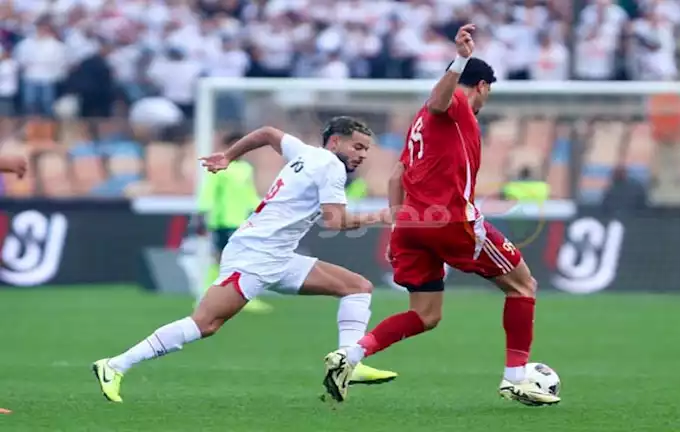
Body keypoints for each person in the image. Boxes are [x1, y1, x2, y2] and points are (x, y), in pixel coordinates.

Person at [321, 25, 560, 407]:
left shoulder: (420, 124)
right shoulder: (455, 105)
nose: (486, 100)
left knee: (426, 314)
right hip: (451, 221)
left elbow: (398, 175)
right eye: (488, 92)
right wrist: (460, 59)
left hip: (414, 226)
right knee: (522, 285)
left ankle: (349, 355)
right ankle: (516, 378)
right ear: (481, 86)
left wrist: (401, 226)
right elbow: (439, 101)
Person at [92, 117, 397, 403]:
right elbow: (334, 221)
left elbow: (267, 133)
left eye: (366, 149)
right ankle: (115, 365)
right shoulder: (331, 166)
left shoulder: (304, 152)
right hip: (255, 255)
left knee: (357, 287)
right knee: (205, 323)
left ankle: (347, 361)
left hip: (276, 255)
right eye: (357, 147)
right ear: (334, 143)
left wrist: (228, 155)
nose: (363, 155)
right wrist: (382, 216)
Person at [196, 132, 272, 313]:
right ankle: (207, 296)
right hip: (222, 221)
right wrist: (202, 215)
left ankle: (242, 297)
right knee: (221, 260)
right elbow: (208, 193)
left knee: (242, 260)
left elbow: (249, 194)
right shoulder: (220, 168)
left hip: (241, 221)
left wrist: (263, 208)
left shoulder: (246, 169)